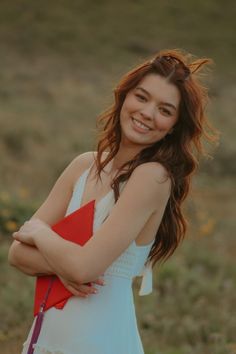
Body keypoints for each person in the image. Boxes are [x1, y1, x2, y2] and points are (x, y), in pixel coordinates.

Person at [8, 48, 218, 354]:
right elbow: (17, 254)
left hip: (99, 341)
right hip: (46, 337)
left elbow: (83, 270)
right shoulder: (83, 166)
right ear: (124, 96)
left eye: (165, 110)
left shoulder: (152, 177)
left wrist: (39, 234)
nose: (147, 113)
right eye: (142, 97)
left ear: (174, 125)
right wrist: (67, 264)